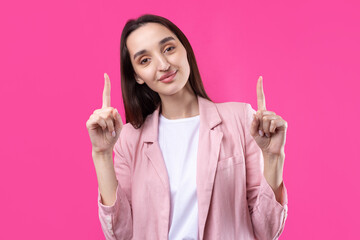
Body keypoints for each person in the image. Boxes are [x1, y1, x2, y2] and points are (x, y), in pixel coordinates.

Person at [86, 14, 288, 240]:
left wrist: (273, 157)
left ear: (185, 49)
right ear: (137, 76)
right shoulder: (129, 139)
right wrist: (102, 154)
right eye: (145, 60)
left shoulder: (241, 120)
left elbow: (267, 231)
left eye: (169, 48)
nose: (163, 65)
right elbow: (121, 235)